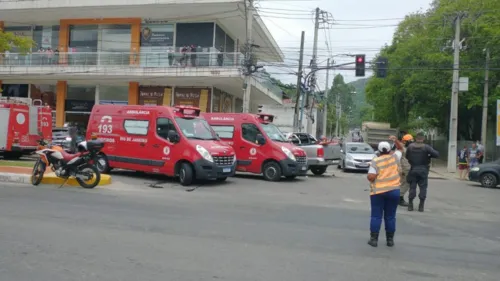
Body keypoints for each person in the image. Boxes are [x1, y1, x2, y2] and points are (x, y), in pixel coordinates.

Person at [366, 138, 403, 247]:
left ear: (379, 150)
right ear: (389, 149)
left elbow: (371, 177)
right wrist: (395, 140)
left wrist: (377, 174)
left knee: (376, 216)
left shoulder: (375, 161)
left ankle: (374, 240)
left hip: (378, 193)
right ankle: (390, 240)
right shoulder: (395, 157)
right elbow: (401, 148)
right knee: (390, 216)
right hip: (394, 191)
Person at [405, 132, 439, 212]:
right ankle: (421, 206)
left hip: (413, 169)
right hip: (423, 169)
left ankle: (410, 205)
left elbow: (407, 157)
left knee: (412, 187)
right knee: (423, 188)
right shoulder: (426, 147)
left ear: (416, 139)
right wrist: (429, 156)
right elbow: (437, 154)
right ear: (423, 139)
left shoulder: (410, 146)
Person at [395, 134, 414, 207]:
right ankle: (400, 198)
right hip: (404, 169)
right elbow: (398, 159)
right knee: (405, 183)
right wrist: (400, 169)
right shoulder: (401, 148)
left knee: (403, 183)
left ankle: (399, 197)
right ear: (405, 141)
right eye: (410, 141)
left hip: (407, 168)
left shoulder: (407, 147)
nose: (412, 142)